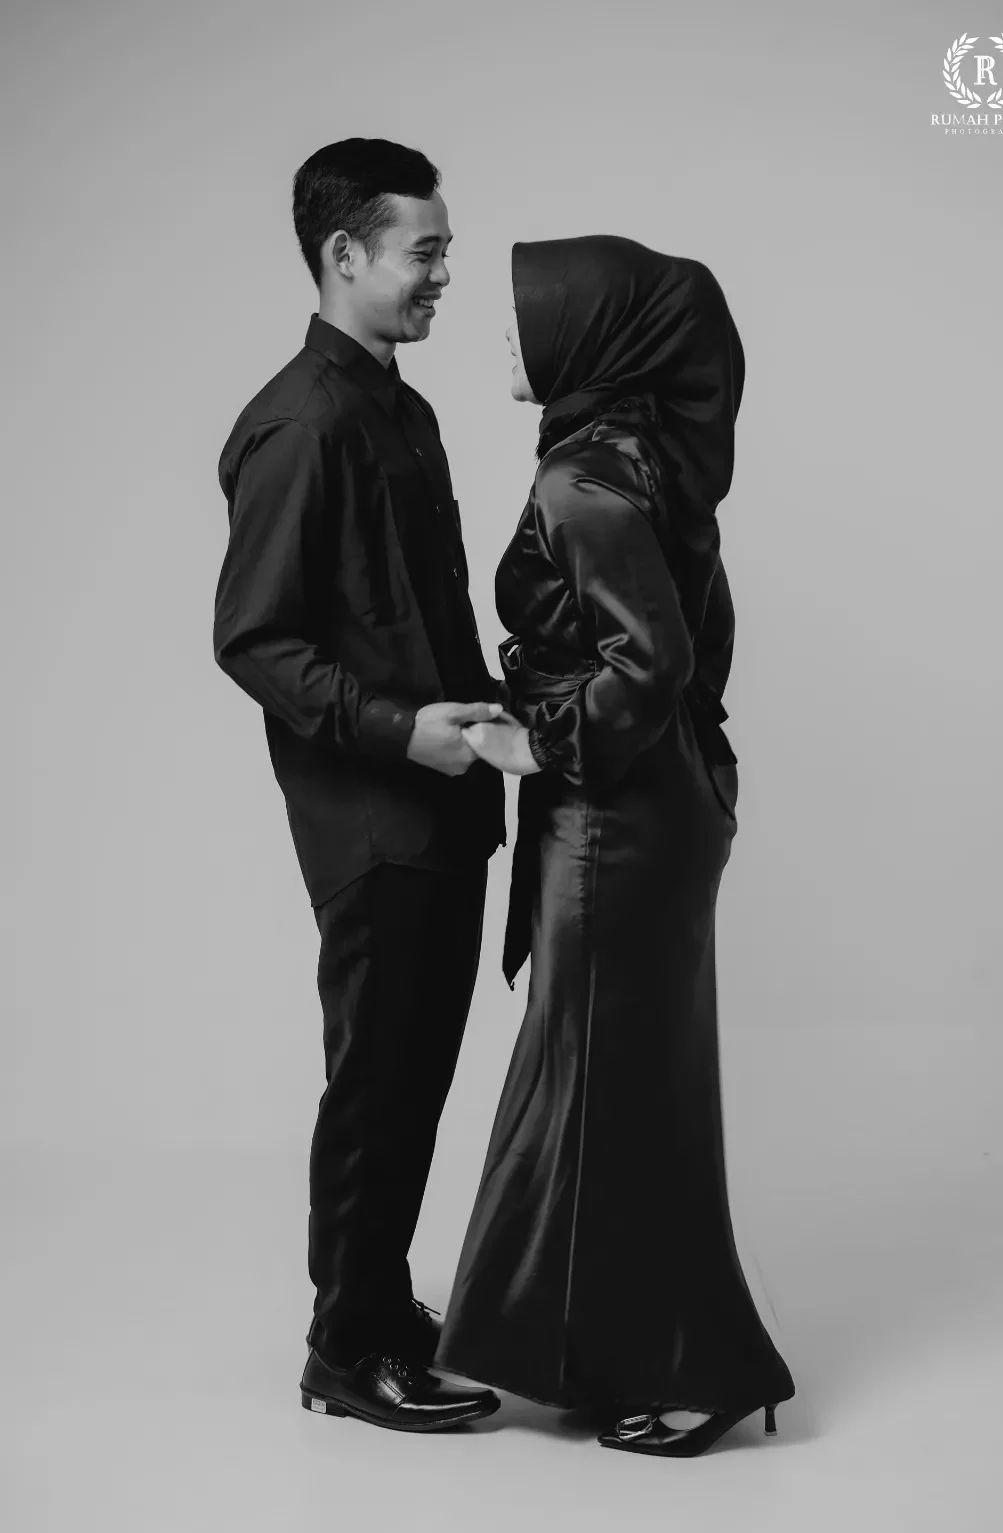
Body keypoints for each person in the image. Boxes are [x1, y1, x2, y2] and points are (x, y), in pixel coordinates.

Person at [436, 235, 796, 1456]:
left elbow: (654, 659)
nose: (506, 333)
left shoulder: (582, 478)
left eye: (528, 315)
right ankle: (606, 1352)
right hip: (652, 807)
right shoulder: (645, 458)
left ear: (586, 337)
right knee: (617, 1088)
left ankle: (705, 1368)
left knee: (609, 1091)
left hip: (615, 822)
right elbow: (691, 648)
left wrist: (536, 741)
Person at [213, 138, 505, 1433]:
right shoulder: (300, 423)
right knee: (377, 1088)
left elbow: (419, 616)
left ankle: (378, 1306)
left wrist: (485, 718)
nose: (442, 275)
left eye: (444, 251)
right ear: (344, 254)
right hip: (374, 820)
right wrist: (402, 733)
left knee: (412, 1081)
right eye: (422, 252)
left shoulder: (400, 409)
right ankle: (346, 1347)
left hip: (444, 808)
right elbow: (255, 641)